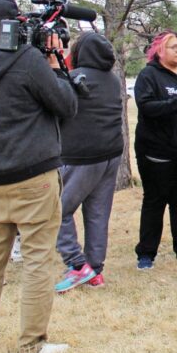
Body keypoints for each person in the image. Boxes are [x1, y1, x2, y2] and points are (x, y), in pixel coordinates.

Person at [0, 0, 77, 353]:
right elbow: (66, 104)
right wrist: (54, 62)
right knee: (37, 259)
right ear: (14, 23)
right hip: (33, 176)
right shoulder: (26, 60)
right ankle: (31, 343)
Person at [54, 32, 123, 292]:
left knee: (56, 212)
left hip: (80, 155)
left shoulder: (74, 78)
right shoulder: (113, 80)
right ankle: (95, 270)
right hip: (111, 153)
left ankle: (77, 264)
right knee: (97, 215)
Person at [132, 31, 177, 270]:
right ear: (160, 51)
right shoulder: (149, 75)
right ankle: (146, 253)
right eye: (174, 47)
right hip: (156, 152)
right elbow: (146, 106)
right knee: (155, 200)